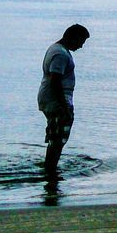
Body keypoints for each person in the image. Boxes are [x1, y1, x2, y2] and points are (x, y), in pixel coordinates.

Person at [38, 24, 89, 175]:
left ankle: (50, 168)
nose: (81, 46)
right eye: (81, 41)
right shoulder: (60, 54)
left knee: (56, 137)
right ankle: (51, 171)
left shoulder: (57, 49)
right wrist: (64, 107)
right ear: (72, 37)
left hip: (51, 100)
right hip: (56, 102)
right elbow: (55, 80)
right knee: (58, 138)